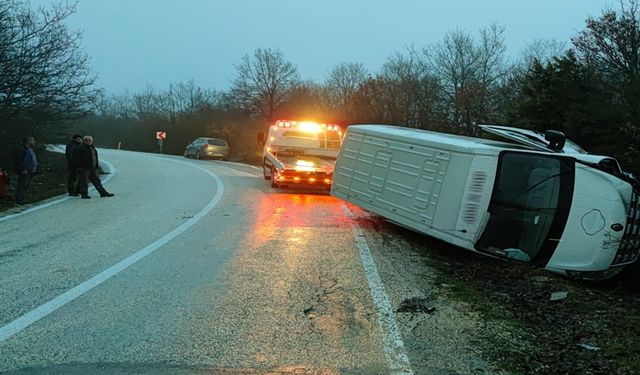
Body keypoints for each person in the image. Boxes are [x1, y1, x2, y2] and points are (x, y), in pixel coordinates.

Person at [14, 136, 38, 205]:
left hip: (30, 170)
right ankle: (19, 200)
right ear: (28, 141)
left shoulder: (30, 149)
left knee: (25, 185)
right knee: (22, 185)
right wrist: (23, 168)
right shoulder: (22, 149)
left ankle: (22, 198)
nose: (34, 142)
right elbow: (20, 160)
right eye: (33, 140)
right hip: (24, 171)